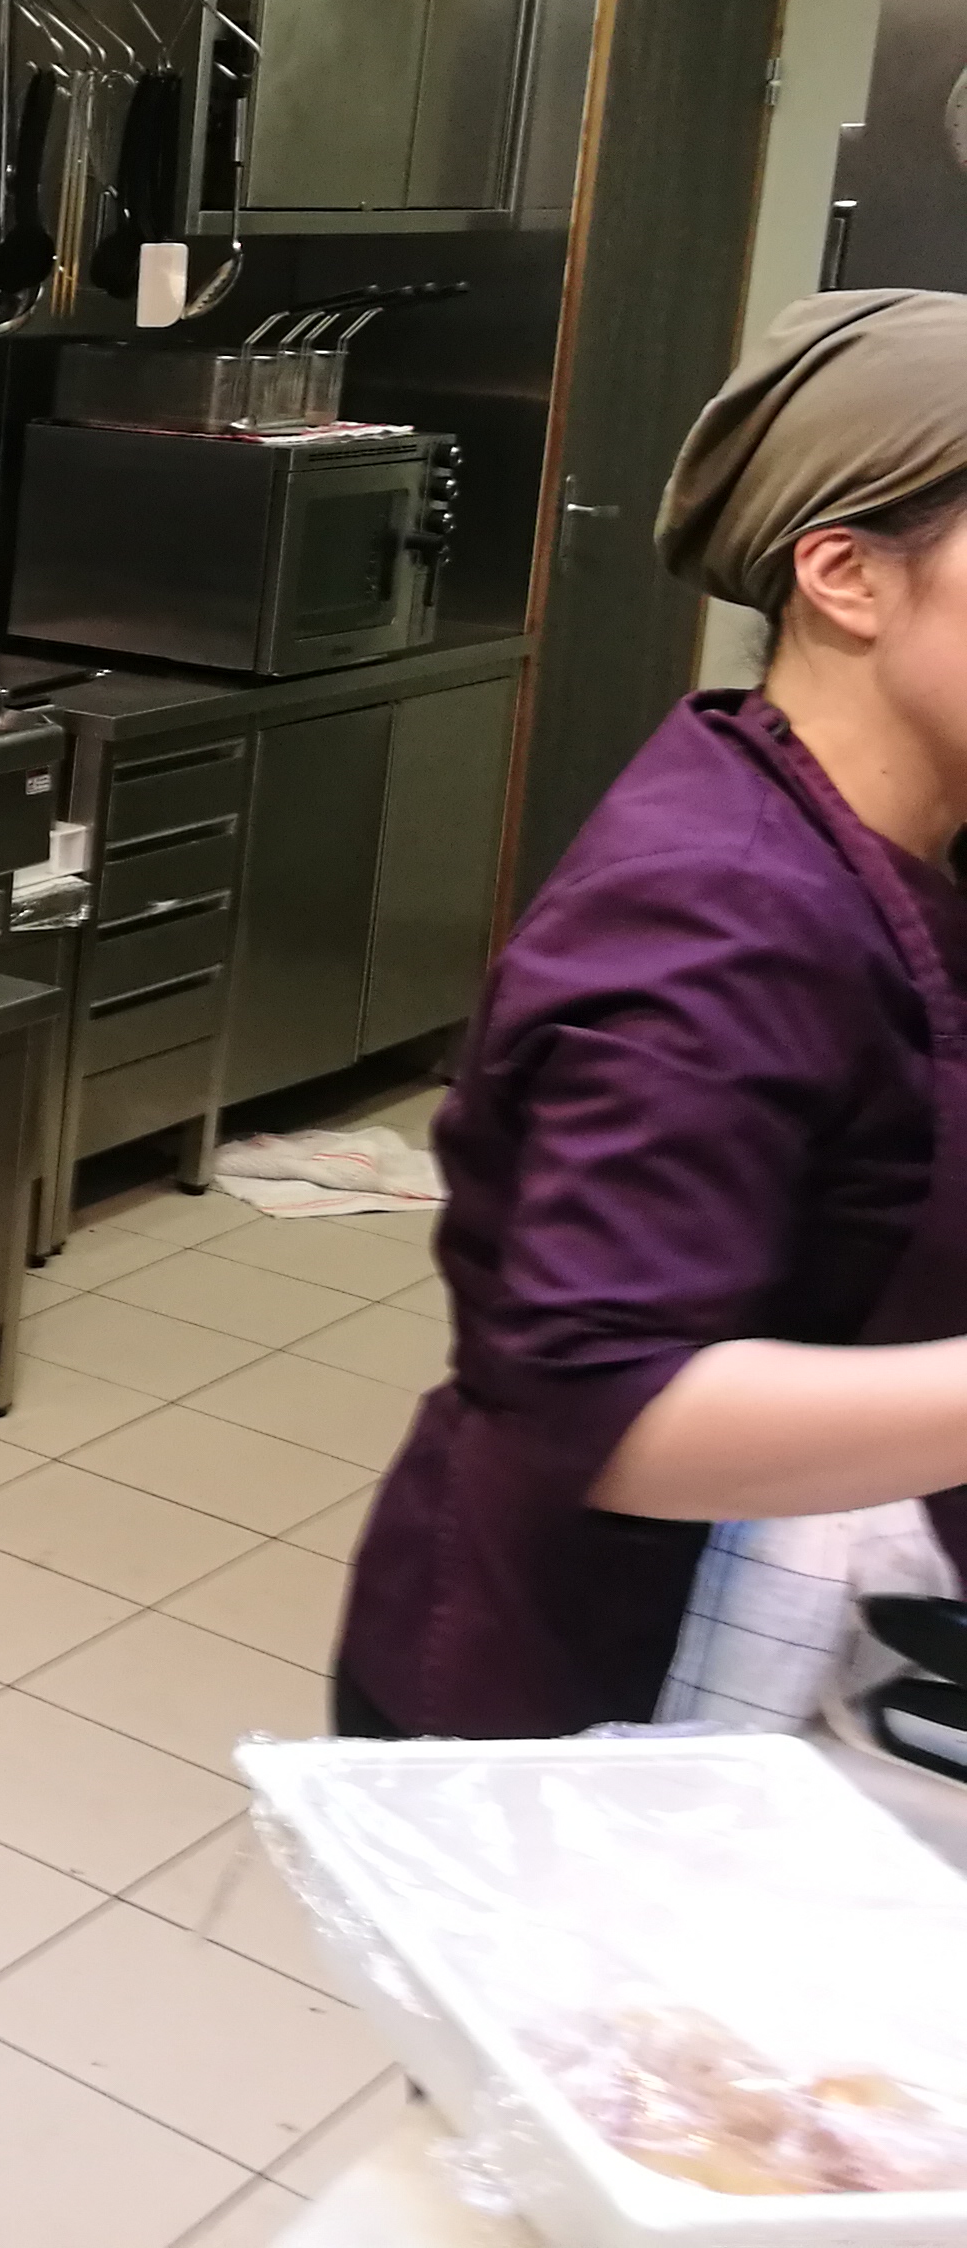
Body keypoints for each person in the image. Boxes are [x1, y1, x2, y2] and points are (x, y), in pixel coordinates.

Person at [337, 288, 967, 1737]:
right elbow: (605, 1407)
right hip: (581, 1698)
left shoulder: (902, 833)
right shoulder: (715, 914)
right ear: (847, 576)